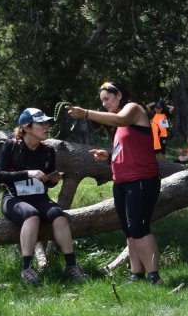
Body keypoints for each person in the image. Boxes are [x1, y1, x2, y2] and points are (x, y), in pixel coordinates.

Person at [68, 82, 164, 284]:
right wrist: (110, 156)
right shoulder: (120, 126)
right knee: (129, 231)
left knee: (140, 227)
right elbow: (131, 150)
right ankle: (137, 275)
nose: (104, 104)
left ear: (119, 94)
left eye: (107, 99)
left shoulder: (133, 109)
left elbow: (121, 120)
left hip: (141, 180)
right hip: (122, 182)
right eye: (101, 101)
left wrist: (85, 113)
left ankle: (155, 277)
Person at [0, 108, 87, 285]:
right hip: (14, 199)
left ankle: (71, 266)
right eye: (41, 123)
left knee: (59, 215)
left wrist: (53, 180)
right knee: (31, 215)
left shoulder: (48, 150)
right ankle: (27, 268)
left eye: (47, 123)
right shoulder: (11, 146)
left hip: (40, 198)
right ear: (26, 128)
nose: (46, 126)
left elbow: (46, 181)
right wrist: (27, 173)